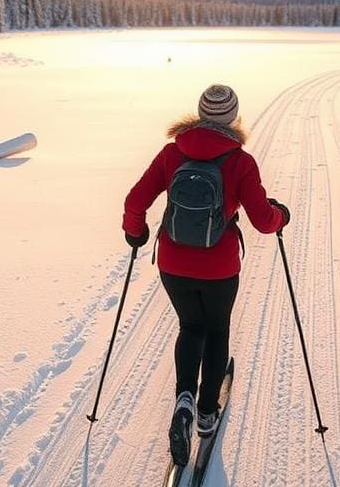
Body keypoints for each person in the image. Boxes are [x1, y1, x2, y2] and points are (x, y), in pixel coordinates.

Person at [122, 83, 290, 465]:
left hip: (173, 264)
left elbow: (135, 200)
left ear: (199, 114)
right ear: (233, 118)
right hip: (219, 268)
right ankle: (206, 413)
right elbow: (264, 220)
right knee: (216, 331)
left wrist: (135, 232)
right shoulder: (241, 162)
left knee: (190, 326)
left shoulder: (172, 153)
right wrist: (281, 216)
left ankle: (184, 399)